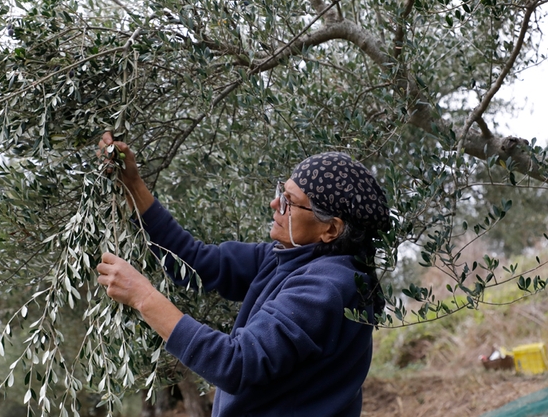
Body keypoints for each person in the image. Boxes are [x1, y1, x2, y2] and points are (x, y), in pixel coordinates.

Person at [96, 132, 391, 417]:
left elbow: (236, 364)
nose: (275, 204)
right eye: (281, 192)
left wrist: (144, 297)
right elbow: (195, 262)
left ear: (330, 229)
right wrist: (132, 183)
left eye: (289, 201)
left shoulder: (328, 287)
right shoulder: (287, 257)